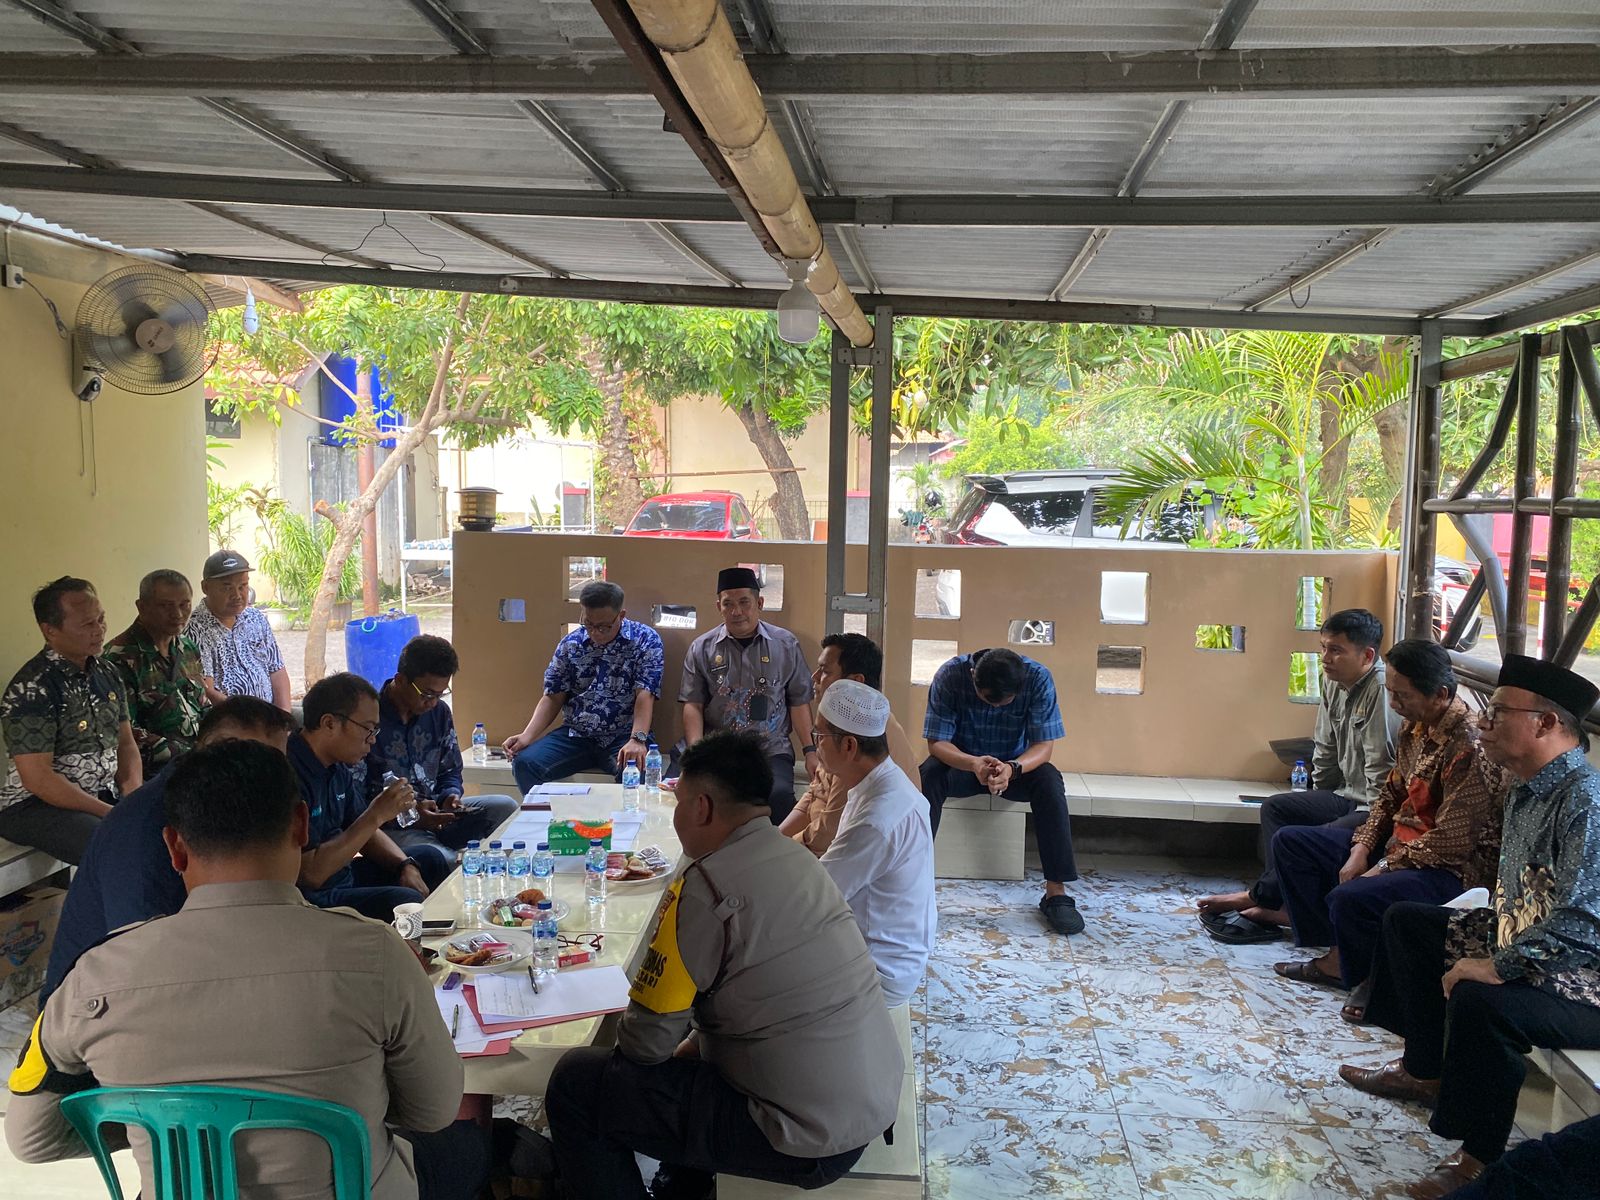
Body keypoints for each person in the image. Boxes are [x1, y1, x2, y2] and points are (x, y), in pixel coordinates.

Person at [5, 739, 483, 1200]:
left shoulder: (93, 977)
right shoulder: (377, 954)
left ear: (174, 847)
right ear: (301, 826)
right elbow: (433, 1111)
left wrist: (153, 1122)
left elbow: (33, 1140)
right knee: (471, 1148)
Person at [544, 730, 902, 1200]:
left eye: (679, 802)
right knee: (690, 1059)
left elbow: (644, 1047)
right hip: (866, 1102)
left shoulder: (705, 887)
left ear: (702, 808)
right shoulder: (798, 859)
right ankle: (683, 1185)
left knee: (578, 1082)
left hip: (799, 1135)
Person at [1342, 655, 1600, 1199]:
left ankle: (1478, 1158)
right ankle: (1423, 1071)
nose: (1483, 721)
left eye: (1499, 713)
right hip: (1526, 938)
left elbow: (1582, 925)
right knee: (1408, 924)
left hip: (1583, 978)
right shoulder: (1530, 787)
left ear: (1546, 723)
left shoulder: (1585, 801)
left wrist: (1496, 966)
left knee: (1484, 1003)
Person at [1272, 639, 1508, 1017]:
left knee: (1352, 896)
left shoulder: (1468, 745)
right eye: (1391, 692)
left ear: (1440, 694)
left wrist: (1382, 867)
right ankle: (1339, 952)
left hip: (1452, 870)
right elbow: (1390, 795)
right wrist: (1362, 848)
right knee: (1292, 843)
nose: (1394, 703)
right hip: (1401, 845)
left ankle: (1366, 977)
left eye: (1403, 695)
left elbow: (1451, 842)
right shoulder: (1415, 726)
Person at [42, 696, 296, 1004]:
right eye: (253, 763)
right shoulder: (144, 829)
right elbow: (145, 963)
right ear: (212, 752)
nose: (271, 780)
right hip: (94, 1008)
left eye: (278, 765)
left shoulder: (237, 809)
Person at [1199, 608, 1398, 944]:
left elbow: (1381, 768)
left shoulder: (1380, 690)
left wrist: (1365, 822)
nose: (1326, 658)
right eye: (1324, 648)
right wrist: (1318, 798)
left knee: (1309, 836)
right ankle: (1280, 902)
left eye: (1336, 650)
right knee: (1278, 808)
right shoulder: (1334, 682)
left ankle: (1263, 898)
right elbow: (1325, 748)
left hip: (1374, 806)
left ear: (1367, 656)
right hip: (1345, 794)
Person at [920, 646, 1083, 935]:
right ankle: (912, 884)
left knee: (1049, 781)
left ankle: (1056, 892)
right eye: (987, 700)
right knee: (927, 776)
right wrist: (973, 763)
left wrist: (1012, 768)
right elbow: (937, 743)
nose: (995, 708)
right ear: (973, 676)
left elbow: (1044, 747)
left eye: (1004, 702)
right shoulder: (950, 675)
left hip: (1015, 768)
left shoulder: (1038, 678)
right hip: (963, 764)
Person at [813, 679, 936, 1009]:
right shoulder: (881, 783)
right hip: (883, 952)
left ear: (849, 746)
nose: (814, 744)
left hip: (878, 972)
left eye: (819, 736)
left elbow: (815, 896)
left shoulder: (878, 819)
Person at [0, 577, 140, 864]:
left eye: (101, 619)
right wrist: (109, 812)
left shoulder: (107, 673)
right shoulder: (32, 687)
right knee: (115, 849)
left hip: (99, 794)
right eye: (87, 624)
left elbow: (126, 744)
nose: (99, 630)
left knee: (167, 824)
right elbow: (38, 778)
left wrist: (134, 795)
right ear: (50, 630)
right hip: (36, 805)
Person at [364, 635, 518, 881]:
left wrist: (450, 796)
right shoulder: (369, 718)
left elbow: (450, 769)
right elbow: (359, 801)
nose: (433, 702)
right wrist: (412, 814)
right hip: (391, 827)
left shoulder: (439, 713)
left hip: (437, 814)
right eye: (426, 694)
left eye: (440, 693)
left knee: (506, 808)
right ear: (400, 680)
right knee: (446, 861)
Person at [290, 672, 435, 920]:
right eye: (368, 729)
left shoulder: (336, 767)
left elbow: (363, 832)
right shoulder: (290, 773)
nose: (372, 741)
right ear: (329, 724)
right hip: (313, 899)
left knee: (428, 859)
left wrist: (404, 865)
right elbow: (310, 875)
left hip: (343, 876)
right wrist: (376, 814)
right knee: (405, 901)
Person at [678, 567, 816, 824]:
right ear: (718, 607)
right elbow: (693, 704)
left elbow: (799, 701)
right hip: (718, 747)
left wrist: (810, 751)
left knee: (778, 796)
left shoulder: (785, 645)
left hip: (769, 749)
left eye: (744, 602)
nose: (736, 611)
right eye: (728, 604)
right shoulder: (702, 648)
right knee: (683, 792)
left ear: (759, 603)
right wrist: (696, 753)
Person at [504, 581, 664, 793]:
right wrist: (527, 736)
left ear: (621, 615)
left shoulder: (645, 640)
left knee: (640, 770)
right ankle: (547, 814)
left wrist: (637, 739)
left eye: (603, 627)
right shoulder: (571, 644)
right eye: (588, 624)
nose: (595, 633)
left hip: (623, 734)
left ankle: (623, 816)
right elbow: (553, 696)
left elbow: (645, 694)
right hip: (576, 735)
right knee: (525, 763)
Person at [779, 632, 920, 857]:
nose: (814, 677)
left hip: (841, 854)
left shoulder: (865, 735)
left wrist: (778, 851)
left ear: (856, 682)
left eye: (825, 671)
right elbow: (815, 793)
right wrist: (776, 839)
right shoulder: (840, 723)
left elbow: (828, 835)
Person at [105, 568, 209, 775]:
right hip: (155, 773)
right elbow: (125, 734)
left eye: (184, 604)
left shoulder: (187, 648)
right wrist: (194, 755)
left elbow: (202, 704)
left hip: (201, 762)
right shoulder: (118, 659)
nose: (177, 614)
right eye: (166, 606)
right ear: (142, 607)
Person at [184, 549, 290, 710]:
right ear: (205, 587)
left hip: (269, 718)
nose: (237, 595)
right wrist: (253, 720)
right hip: (229, 720)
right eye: (227, 588)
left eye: (243, 586)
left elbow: (277, 671)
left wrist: (284, 719)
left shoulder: (256, 618)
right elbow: (207, 691)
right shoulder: (194, 630)